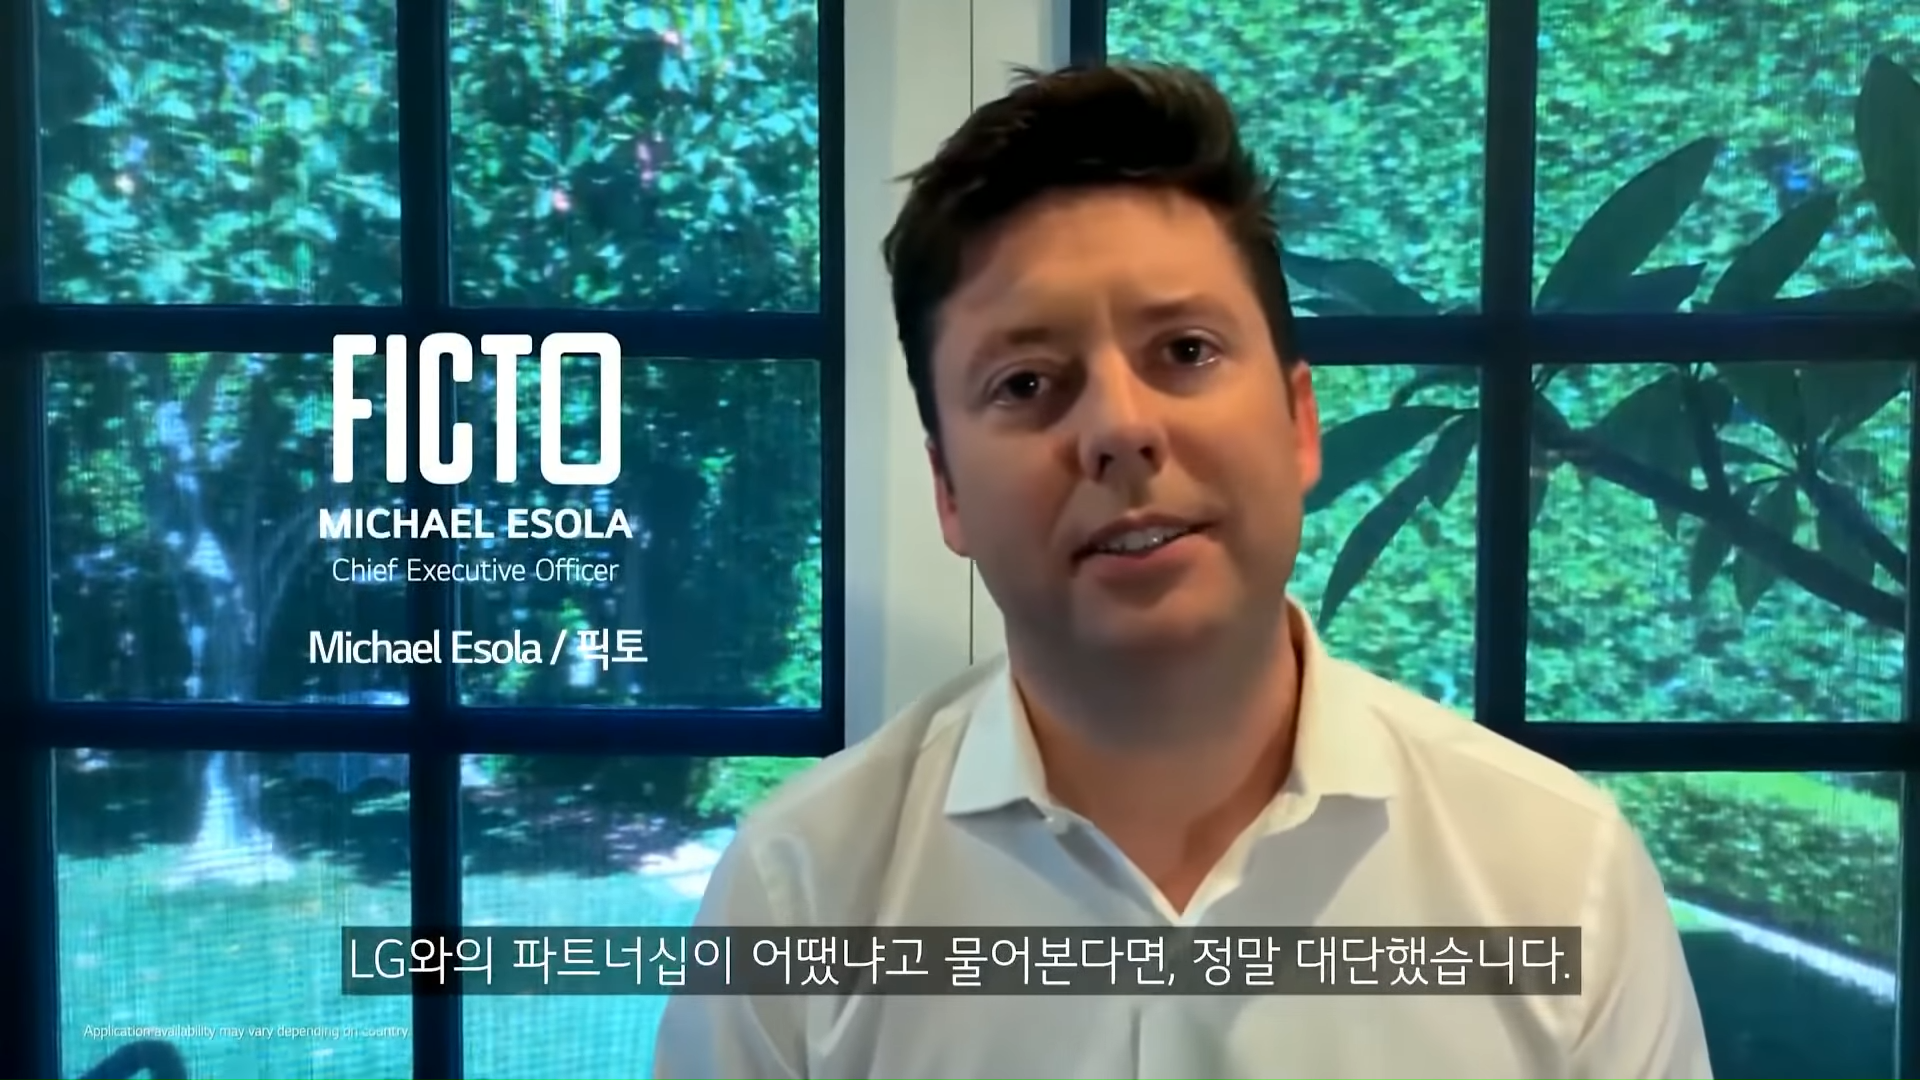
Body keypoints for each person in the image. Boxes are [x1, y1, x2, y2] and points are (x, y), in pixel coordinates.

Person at [654, 62, 1711, 1079]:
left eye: (1186, 352)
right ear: (949, 493)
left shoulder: (1559, 877)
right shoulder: (800, 896)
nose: (1120, 429)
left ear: (1299, 422)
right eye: (1027, 383)